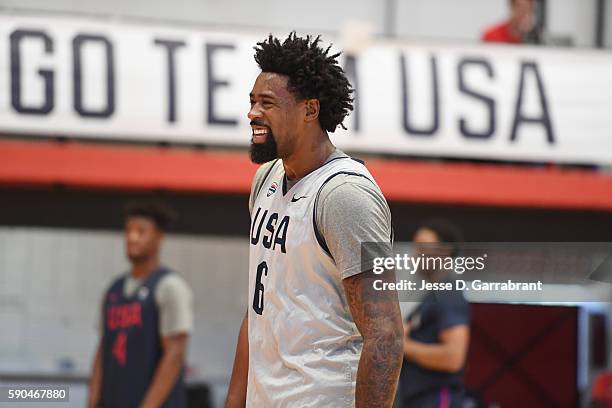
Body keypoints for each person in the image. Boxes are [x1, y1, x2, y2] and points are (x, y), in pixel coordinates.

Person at [224, 33, 403, 407]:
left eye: (268, 103)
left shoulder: (344, 196)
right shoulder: (265, 180)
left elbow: (384, 334)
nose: (252, 113)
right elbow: (259, 307)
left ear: (310, 110)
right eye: (252, 102)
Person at [87, 201, 193, 408]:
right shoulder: (113, 290)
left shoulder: (170, 286)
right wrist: (92, 401)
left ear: (159, 237)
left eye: (141, 231)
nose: (132, 237)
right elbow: (103, 350)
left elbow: (175, 355)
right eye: (128, 231)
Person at [398, 220, 470, 408]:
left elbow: (454, 357)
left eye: (423, 247)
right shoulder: (431, 294)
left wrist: (402, 344)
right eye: (416, 247)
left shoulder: (448, 291)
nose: (416, 254)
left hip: (437, 398)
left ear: (444, 251)